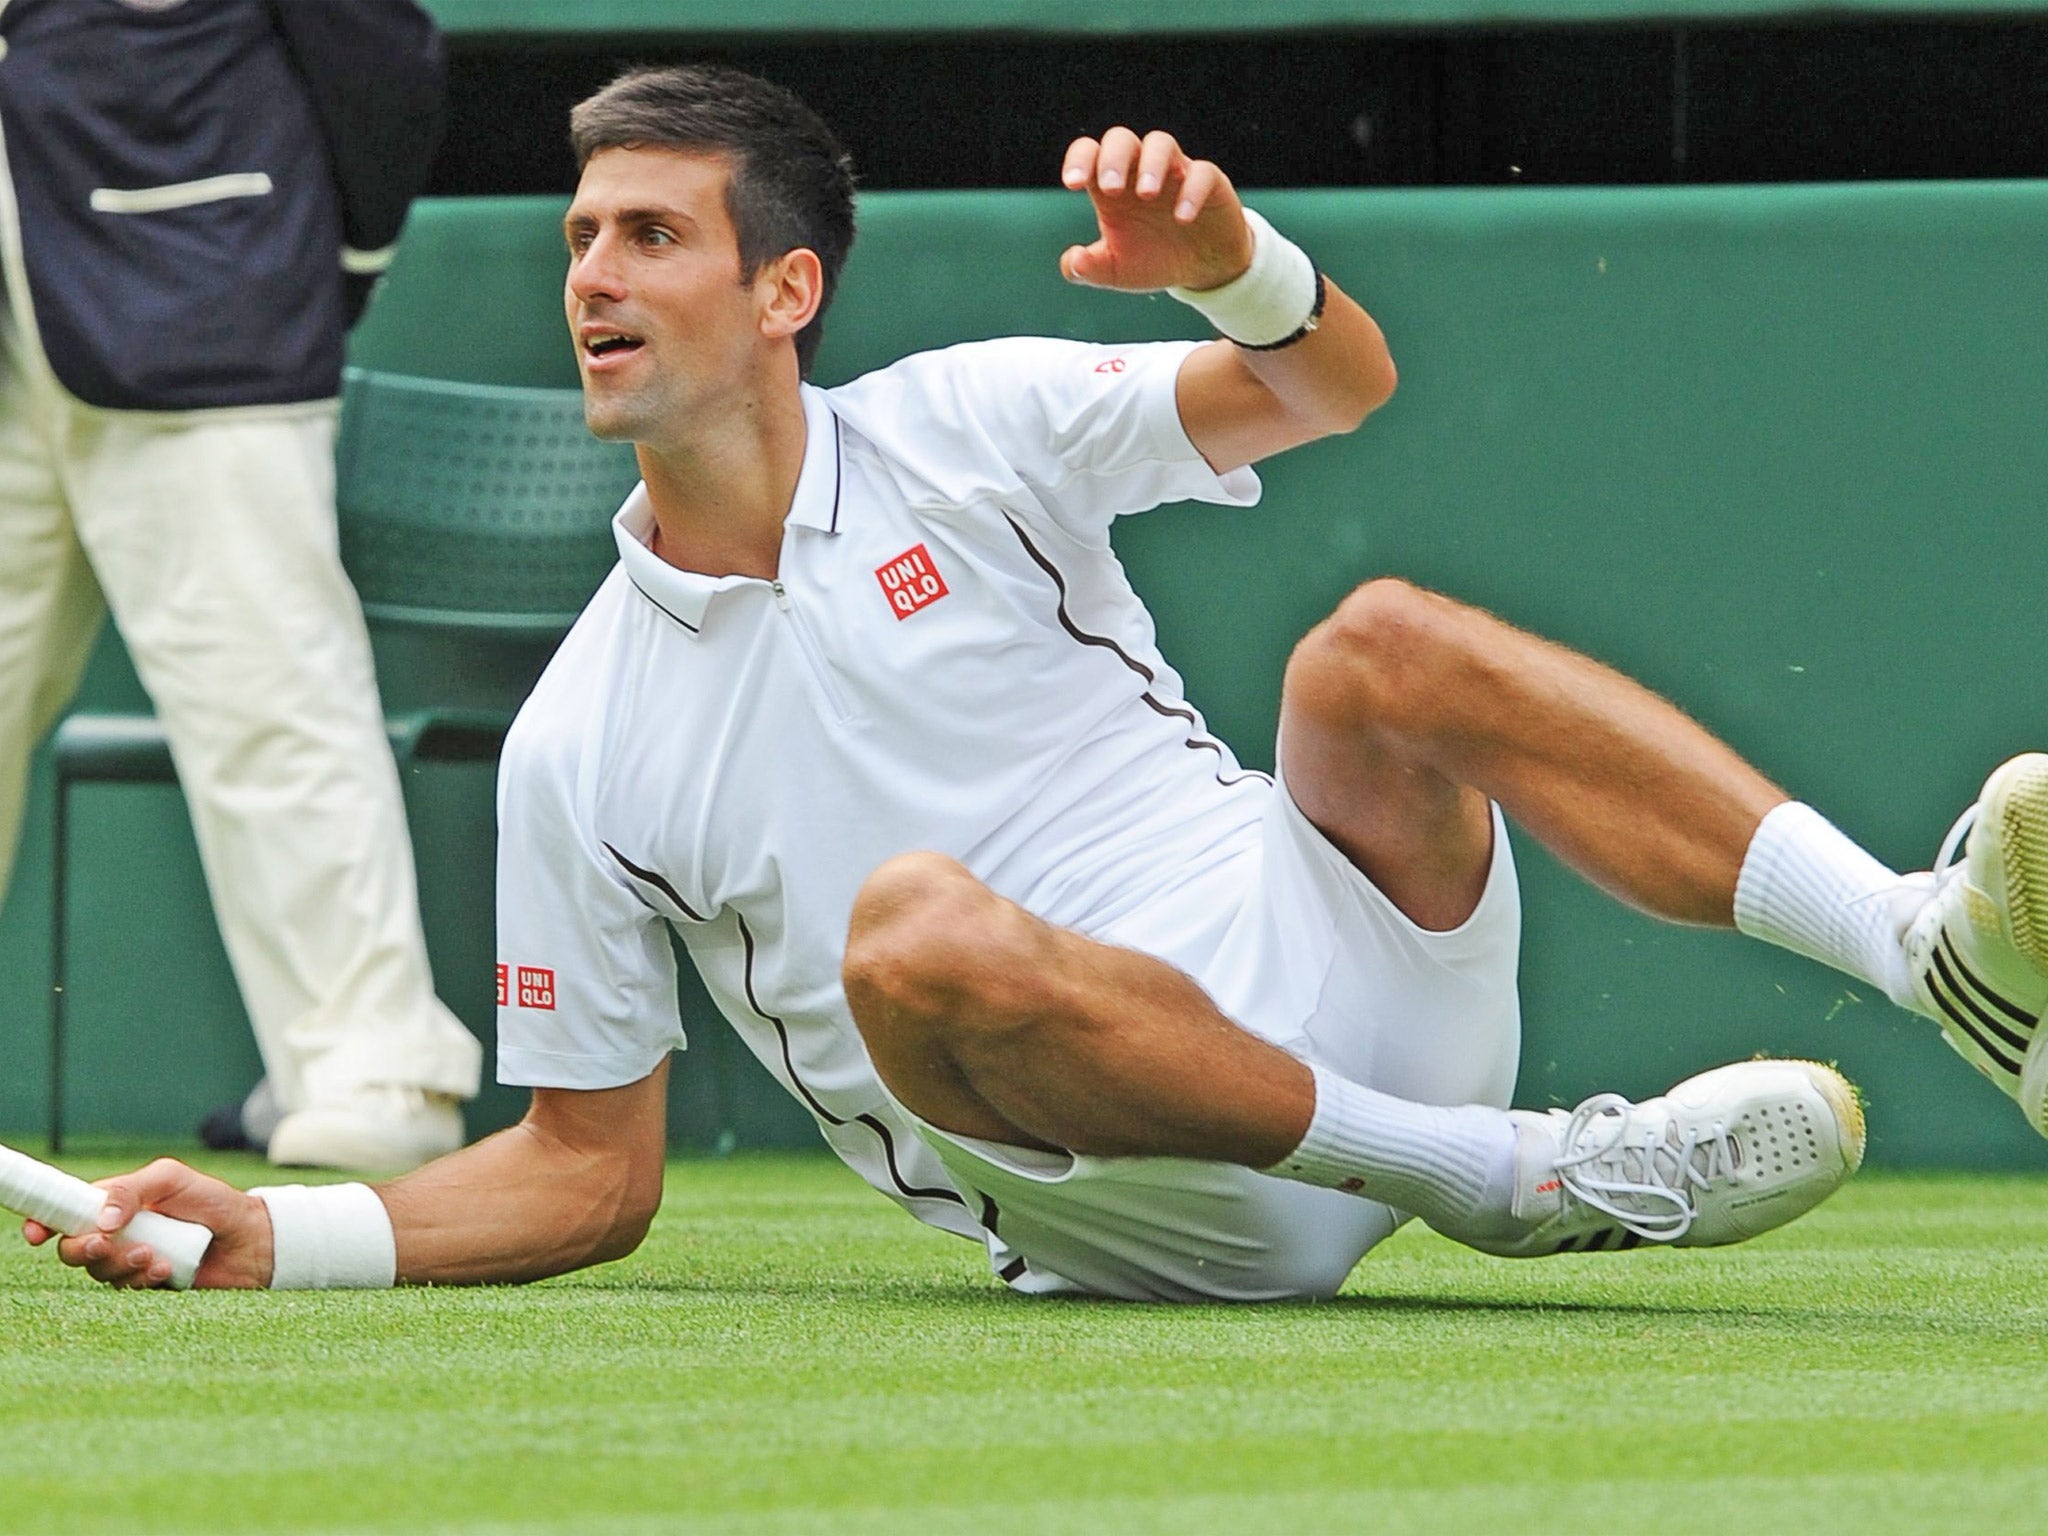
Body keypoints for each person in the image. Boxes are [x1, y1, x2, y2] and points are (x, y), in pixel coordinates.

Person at [32, 65, 2046, 1296]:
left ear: (783, 292)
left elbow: (1330, 382)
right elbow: (585, 1171)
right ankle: (1519, 1180)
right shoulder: (581, 740)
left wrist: (1236, 268)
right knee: (909, 932)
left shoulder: (971, 422)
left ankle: (1919, 950)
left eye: (646, 235)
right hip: (1161, 1193)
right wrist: (280, 1234)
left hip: (1346, 963)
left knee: (1381, 647)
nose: (589, 276)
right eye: (578, 237)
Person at [0, 0, 481, 1171]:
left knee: (276, 707)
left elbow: (380, 57)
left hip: (198, 299)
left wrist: (329, 265)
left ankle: (377, 1071)